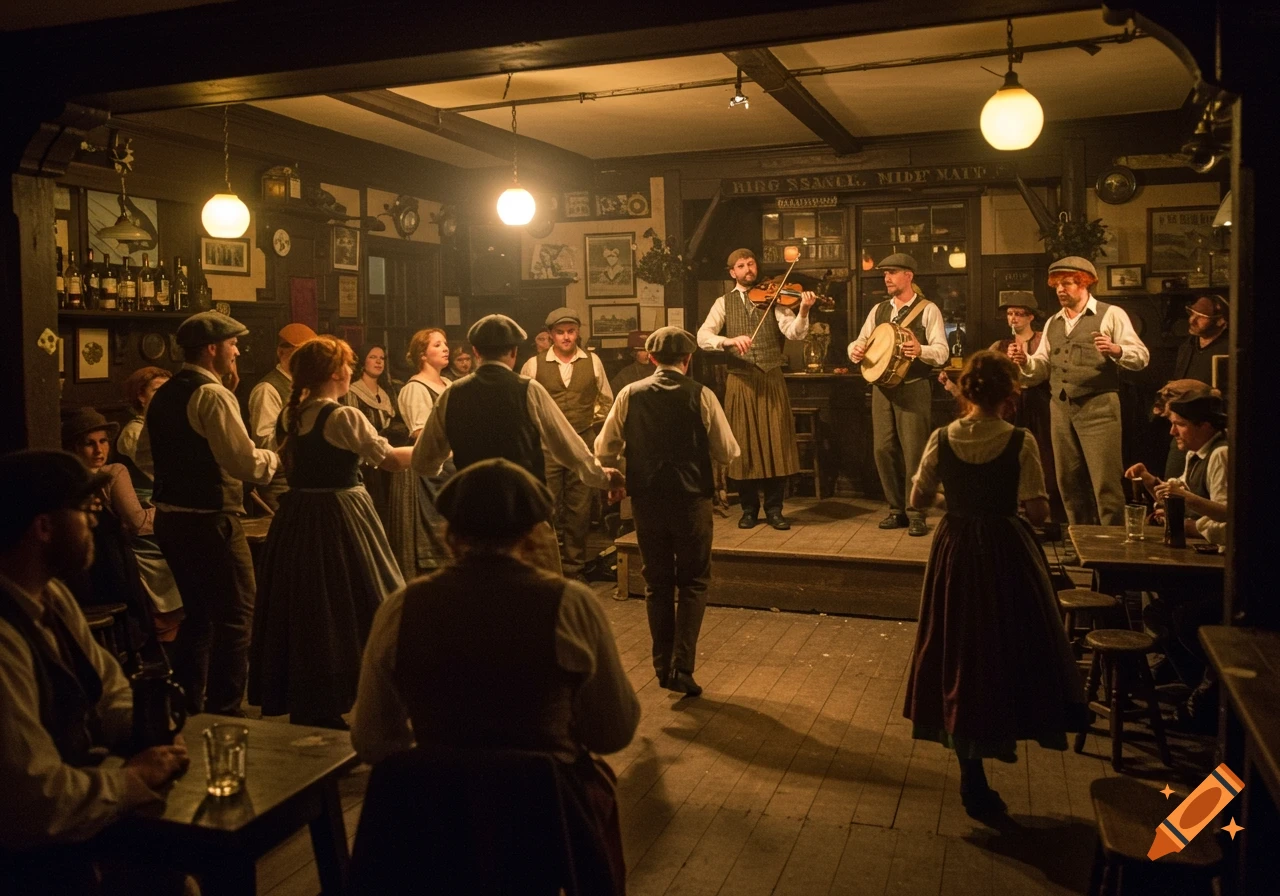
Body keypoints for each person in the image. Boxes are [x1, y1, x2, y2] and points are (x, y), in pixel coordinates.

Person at [351, 458, 639, 895]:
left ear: (449, 532)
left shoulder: (403, 606)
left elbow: (372, 739)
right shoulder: (570, 603)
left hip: (437, 826)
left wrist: (445, 766)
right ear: (531, 532)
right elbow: (613, 731)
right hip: (545, 825)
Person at [902, 351, 1086, 819]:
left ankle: (970, 769)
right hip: (1005, 548)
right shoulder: (1019, 441)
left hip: (957, 546)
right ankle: (1006, 725)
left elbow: (917, 499)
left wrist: (958, 495)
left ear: (965, 392)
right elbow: (1040, 512)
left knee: (959, 644)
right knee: (1007, 644)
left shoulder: (942, 437)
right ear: (1011, 394)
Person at [0, 450, 189, 891]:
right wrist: (129, 782)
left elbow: (109, 690)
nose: (94, 525)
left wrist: (148, 728)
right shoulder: (5, 637)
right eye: (85, 512)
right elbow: (33, 801)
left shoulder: (53, 598)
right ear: (44, 528)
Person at [250, 336, 412, 729]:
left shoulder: (294, 415)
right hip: (340, 514)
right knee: (361, 598)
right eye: (348, 363)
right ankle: (373, 694)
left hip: (300, 516)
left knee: (312, 607)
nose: (352, 369)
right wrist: (436, 448)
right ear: (337, 372)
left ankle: (315, 701)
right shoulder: (341, 417)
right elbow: (389, 460)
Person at [412, 314, 624, 575]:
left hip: (472, 518)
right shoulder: (528, 389)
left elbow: (424, 462)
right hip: (523, 519)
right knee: (536, 596)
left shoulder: (451, 394)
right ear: (513, 352)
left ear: (476, 351)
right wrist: (603, 478)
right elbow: (569, 448)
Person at [143, 311, 279, 715]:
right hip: (210, 521)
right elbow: (244, 463)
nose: (238, 351)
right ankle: (225, 707)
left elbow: (144, 455)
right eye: (233, 344)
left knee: (198, 616)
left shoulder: (165, 392)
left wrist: (183, 473)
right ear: (212, 349)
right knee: (237, 616)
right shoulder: (213, 394)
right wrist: (274, 458)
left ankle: (187, 703)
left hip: (171, 519)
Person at [596, 327, 739, 697]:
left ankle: (662, 665)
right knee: (693, 582)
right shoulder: (701, 395)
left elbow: (603, 446)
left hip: (647, 499)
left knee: (657, 583)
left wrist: (615, 475)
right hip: (692, 499)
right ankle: (682, 666)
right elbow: (728, 451)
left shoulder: (630, 393)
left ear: (653, 359)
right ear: (687, 360)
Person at [1008, 256, 1149, 534]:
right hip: (1060, 408)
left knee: (1105, 483)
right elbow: (1041, 368)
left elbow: (1141, 357)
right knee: (1069, 482)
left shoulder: (1111, 314)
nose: (1061, 289)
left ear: (1084, 284)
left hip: (1099, 407)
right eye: (1057, 284)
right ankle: (1081, 540)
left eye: (1068, 283)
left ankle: (1112, 547)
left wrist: (1117, 350)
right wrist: (1024, 361)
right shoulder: (1053, 323)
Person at [697, 248, 815, 531]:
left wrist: (804, 310)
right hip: (740, 379)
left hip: (771, 376)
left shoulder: (774, 297)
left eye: (751, 263)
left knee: (777, 444)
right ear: (732, 272)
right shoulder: (723, 302)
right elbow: (703, 336)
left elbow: (794, 333)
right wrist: (727, 341)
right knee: (745, 446)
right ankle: (749, 510)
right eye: (741, 265)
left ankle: (775, 509)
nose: (748, 268)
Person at [848, 253, 949, 536]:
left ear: (909, 276)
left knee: (915, 452)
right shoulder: (879, 310)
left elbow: (942, 351)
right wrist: (855, 350)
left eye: (892, 272)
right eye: (884, 274)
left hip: (914, 386)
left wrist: (921, 350)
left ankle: (916, 511)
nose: (887, 278)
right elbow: (860, 340)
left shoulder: (928, 309)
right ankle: (895, 509)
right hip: (882, 389)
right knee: (883, 450)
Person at [63, 409, 183, 647]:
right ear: (74, 448)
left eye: (103, 442)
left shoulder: (68, 477)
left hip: (87, 572)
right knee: (179, 565)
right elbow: (137, 522)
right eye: (90, 444)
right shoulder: (113, 472)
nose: (99, 450)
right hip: (113, 568)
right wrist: (171, 510)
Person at [520, 307, 614, 580]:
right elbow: (525, 405)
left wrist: (586, 419)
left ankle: (574, 567)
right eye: (559, 332)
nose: (566, 337)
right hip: (546, 444)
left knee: (580, 507)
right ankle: (549, 567)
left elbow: (606, 400)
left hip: (582, 442)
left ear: (578, 332)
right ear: (550, 335)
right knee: (547, 504)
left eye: (570, 331)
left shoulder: (593, 361)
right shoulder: (534, 364)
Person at [391, 328, 453, 577]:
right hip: (429, 471)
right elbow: (422, 435)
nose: (445, 348)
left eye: (445, 343)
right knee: (431, 530)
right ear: (422, 355)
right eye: (437, 345)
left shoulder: (449, 384)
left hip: (450, 468)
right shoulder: (415, 388)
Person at [246, 322, 317, 511]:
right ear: (281, 352)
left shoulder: (306, 387)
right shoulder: (267, 389)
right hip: (280, 482)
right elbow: (264, 443)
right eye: (300, 352)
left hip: (305, 478)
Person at [344, 343, 407, 523]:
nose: (379, 361)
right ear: (363, 362)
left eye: (382, 358)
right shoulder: (353, 391)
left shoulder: (388, 391)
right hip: (366, 462)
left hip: (388, 456)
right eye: (373, 357)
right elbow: (354, 429)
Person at [116, 365, 170, 493]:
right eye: (158, 390)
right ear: (141, 396)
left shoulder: (164, 426)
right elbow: (157, 473)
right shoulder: (134, 432)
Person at [608, 330, 653, 395]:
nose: (648, 354)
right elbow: (611, 395)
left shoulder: (659, 371)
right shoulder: (625, 375)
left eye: (650, 351)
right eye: (643, 350)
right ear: (633, 353)